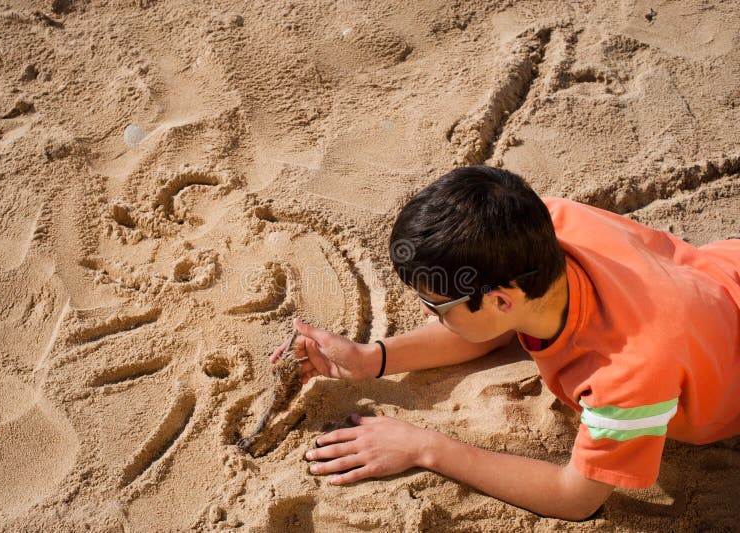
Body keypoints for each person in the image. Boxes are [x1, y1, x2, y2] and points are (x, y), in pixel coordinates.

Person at [269, 166, 740, 521]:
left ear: (499, 299)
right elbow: (488, 327)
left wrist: (423, 447)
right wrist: (373, 359)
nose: (425, 312)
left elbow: (574, 498)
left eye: (435, 304)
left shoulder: (626, 377)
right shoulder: (550, 224)